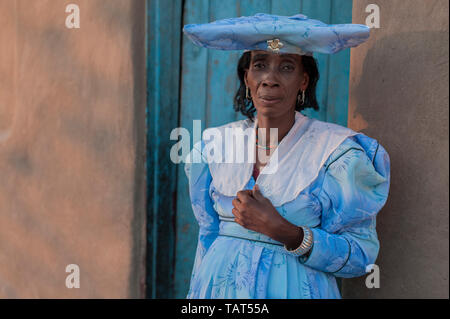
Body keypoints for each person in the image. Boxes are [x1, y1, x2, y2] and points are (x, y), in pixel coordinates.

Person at [182, 13, 390, 299]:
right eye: (260, 66)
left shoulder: (337, 154)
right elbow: (206, 239)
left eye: (287, 67)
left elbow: (361, 256)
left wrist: (288, 232)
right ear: (247, 77)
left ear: (304, 81)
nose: (270, 79)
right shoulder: (213, 147)